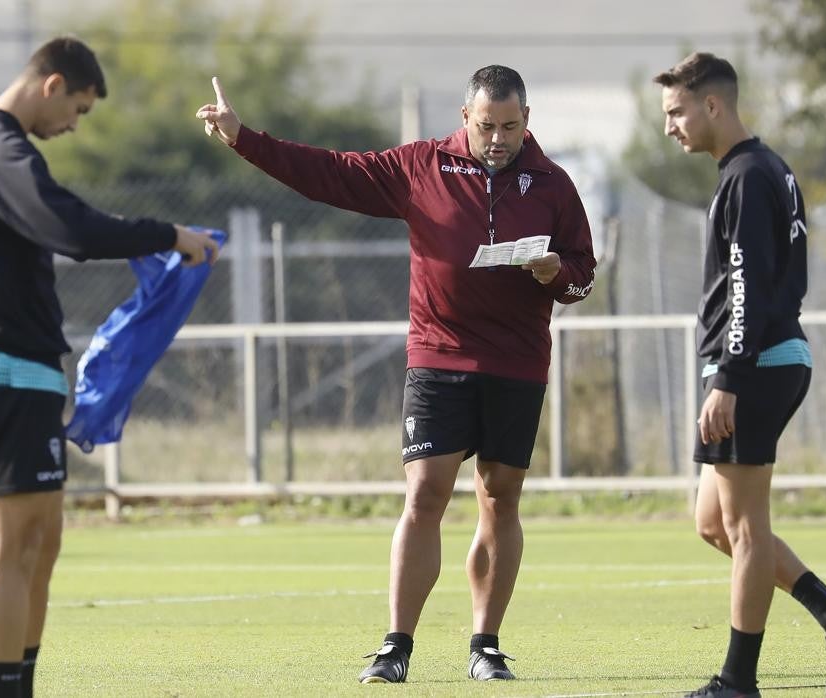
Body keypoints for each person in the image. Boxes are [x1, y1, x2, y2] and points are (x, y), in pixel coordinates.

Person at [197, 65, 596, 683]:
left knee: (500, 499)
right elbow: (329, 174)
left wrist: (554, 273)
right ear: (465, 118)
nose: (498, 138)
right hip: (438, 354)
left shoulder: (553, 184)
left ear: (526, 121)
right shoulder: (421, 167)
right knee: (424, 493)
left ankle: (485, 645)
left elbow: (583, 273)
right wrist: (243, 137)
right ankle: (396, 645)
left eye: (511, 126)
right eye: (487, 125)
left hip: (517, 363)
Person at [0, 36, 218, 698]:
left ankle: (20, 682)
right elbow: (72, 229)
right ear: (52, 84)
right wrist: (166, 234)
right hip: (1, 364)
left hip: (19, 366)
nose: (73, 126)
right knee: (11, 550)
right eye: (80, 110)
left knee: (42, 543)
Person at [656, 52, 826, 698]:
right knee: (714, 523)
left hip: (754, 364)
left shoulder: (750, 175)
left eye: (677, 111)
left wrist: (727, 374)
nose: (670, 126)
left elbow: (750, 283)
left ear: (713, 105)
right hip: (760, 359)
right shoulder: (760, 170)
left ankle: (737, 682)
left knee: (745, 526)